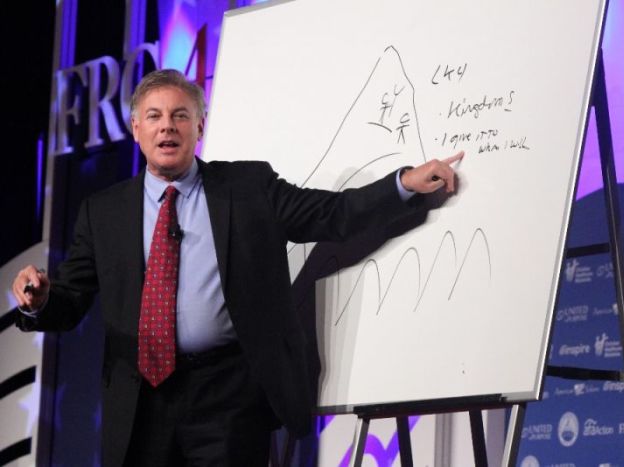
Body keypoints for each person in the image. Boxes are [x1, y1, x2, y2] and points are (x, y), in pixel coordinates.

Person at [12, 69, 463, 466]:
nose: (167, 126)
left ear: (199, 126)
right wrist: (40, 299)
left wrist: (403, 185)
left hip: (227, 398)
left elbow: (332, 213)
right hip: (139, 402)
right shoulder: (103, 211)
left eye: (180, 115)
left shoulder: (248, 188)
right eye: (154, 116)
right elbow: (69, 300)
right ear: (135, 128)